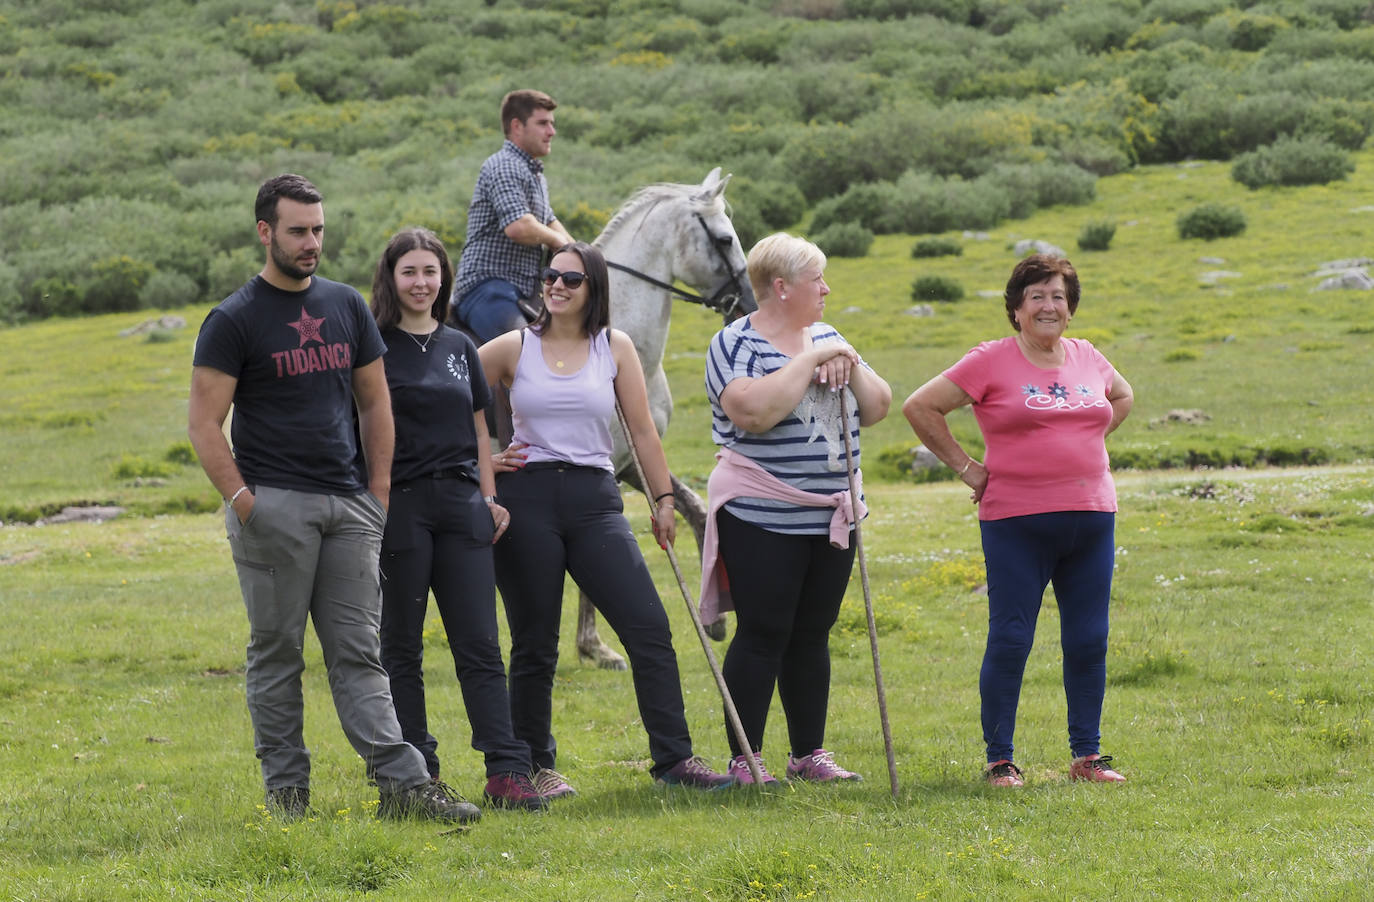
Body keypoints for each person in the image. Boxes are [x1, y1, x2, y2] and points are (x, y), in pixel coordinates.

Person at [187, 174, 479, 824]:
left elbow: (375, 404)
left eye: (317, 229)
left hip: (349, 508)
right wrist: (243, 501)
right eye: (297, 231)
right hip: (274, 508)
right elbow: (204, 424)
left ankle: (405, 789)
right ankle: (288, 799)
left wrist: (374, 496)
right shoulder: (234, 319)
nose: (311, 242)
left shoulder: (346, 307)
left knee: (358, 653)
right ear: (265, 232)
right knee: (277, 653)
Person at [477, 241, 734, 796]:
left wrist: (663, 500)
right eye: (551, 277)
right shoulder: (513, 347)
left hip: (597, 499)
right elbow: (450, 393)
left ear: (594, 288)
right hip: (528, 498)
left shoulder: (613, 348)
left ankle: (674, 762)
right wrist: (481, 463)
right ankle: (534, 768)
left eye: (572, 279)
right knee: (535, 642)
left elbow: (641, 430)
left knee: (649, 629)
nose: (557, 286)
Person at [902, 253, 1134, 788]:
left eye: (1058, 296)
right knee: (1011, 637)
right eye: (1037, 297)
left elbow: (1121, 396)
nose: (1049, 306)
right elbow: (920, 406)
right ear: (1016, 309)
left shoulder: (1088, 356)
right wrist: (968, 469)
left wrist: (1085, 443)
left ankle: (1088, 756)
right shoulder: (991, 360)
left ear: (1071, 308)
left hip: (1092, 515)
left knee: (1089, 638)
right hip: (1015, 521)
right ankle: (1000, 760)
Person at [699, 232, 892, 785]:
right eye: (817, 280)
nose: (827, 289)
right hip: (761, 514)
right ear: (781, 288)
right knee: (763, 631)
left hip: (831, 515)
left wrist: (847, 362)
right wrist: (811, 361)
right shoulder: (734, 343)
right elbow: (752, 413)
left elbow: (877, 408)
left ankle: (809, 754)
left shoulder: (831, 335)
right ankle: (746, 758)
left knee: (813, 631)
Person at [367, 228, 548, 811]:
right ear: (391, 279)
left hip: (463, 506)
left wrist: (490, 497)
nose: (421, 283)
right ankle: (418, 773)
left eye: (430, 271)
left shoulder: (459, 346)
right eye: (409, 272)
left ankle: (507, 771)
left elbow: (480, 430)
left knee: (480, 644)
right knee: (402, 648)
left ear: (444, 277)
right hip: (400, 508)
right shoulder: (371, 347)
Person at [453, 89, 573, 345]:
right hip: (488, 290)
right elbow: (519, 227)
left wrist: (582, 254)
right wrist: (561, 245)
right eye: (543, 123)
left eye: (552, 123)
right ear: (517, 126)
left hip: (519, 292)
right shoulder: (504, 164)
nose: (551, 131)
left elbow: (549, 221)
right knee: (527, 357)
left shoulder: (534, 174)